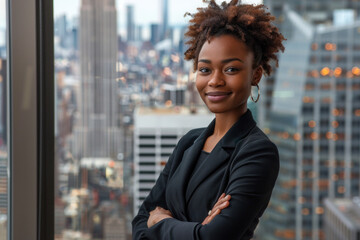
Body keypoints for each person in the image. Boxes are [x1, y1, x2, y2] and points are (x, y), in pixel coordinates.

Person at [132, 0, 285, 239]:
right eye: (205, 70)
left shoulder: (258, 152)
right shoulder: (189, 142)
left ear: (255, 75)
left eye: (231, 69)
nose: (215, 80)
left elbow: (213, 237)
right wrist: (196, 230)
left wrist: (161, 221)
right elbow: (141, 222)